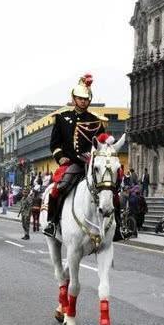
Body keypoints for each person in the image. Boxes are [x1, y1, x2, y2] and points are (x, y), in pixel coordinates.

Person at [44, 74, 106, 237]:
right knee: (58, 188)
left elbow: (102, 144)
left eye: (86, 99)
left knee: (111, 188)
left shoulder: (96, 121)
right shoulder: (62, 118)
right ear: (74, 98)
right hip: (73, 162)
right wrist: (60, 157)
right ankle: (52, 222)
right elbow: (54, 144)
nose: (83, 101)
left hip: (92, 163)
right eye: (80, 98)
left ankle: (119, 226)